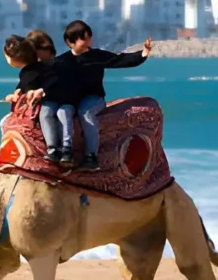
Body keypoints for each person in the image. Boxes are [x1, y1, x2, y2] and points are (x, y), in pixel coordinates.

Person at [61, 20, 153, 171]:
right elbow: (49, 79)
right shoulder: (63, 61)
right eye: (83, 39)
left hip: (94, 99)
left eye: (89, 38)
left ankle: (91, 156)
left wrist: (143, 53)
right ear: (69, 41)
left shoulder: (97, 56)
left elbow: (120, 60)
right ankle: (64, 151)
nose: (88, 42)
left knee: (85, 112)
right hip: (72, 99)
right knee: (61, 112)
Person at [1, 35, 78, 166]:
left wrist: (31, 93)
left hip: (52, 100)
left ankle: (57, 148)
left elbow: (33, 86)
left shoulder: (37, 69)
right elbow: (26, 85)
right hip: (52, 99)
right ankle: (55, 148)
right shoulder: (35, 69)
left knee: (50, 113)